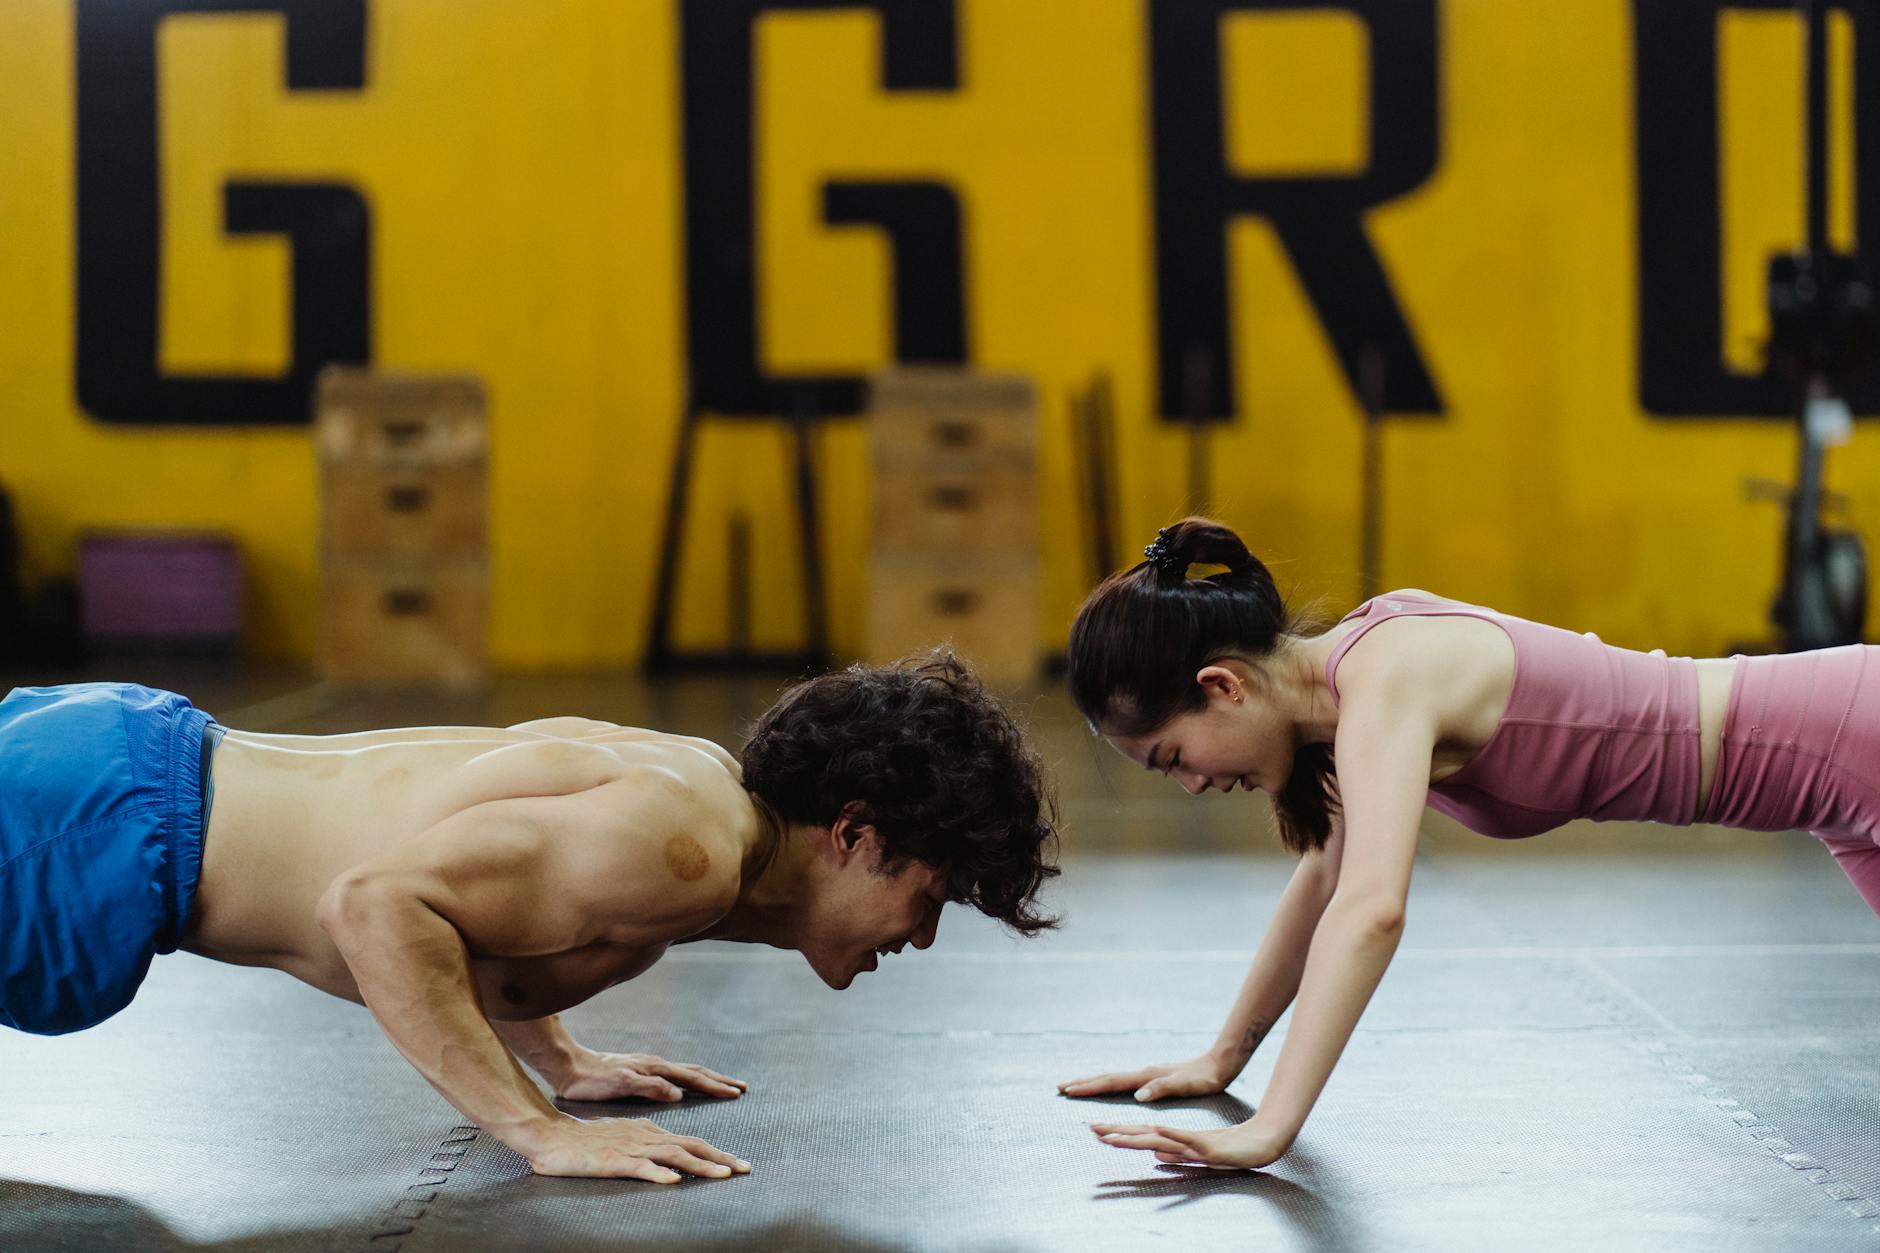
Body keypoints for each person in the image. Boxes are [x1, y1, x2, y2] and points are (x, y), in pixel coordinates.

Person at [0, 654, 1057, 1183]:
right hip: (92, 823)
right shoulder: (682, 853)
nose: (918, 937)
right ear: (855, 830)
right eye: (931, 894)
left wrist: (559, 1057)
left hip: (118, 774)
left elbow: (474, 882)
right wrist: (534, 1130)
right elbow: (376, 903)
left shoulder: (695, 795)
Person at [1055, 516, 1879, 1171]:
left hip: (1852, 743)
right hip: (1835, 788)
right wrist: (1223, 1057)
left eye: (1174, 758)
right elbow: (1324, 879)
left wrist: (1272, 1126)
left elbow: (1371, 909)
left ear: (1223, 686)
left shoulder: (1386, 678)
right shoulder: (1354, 681)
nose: (1194, 784)